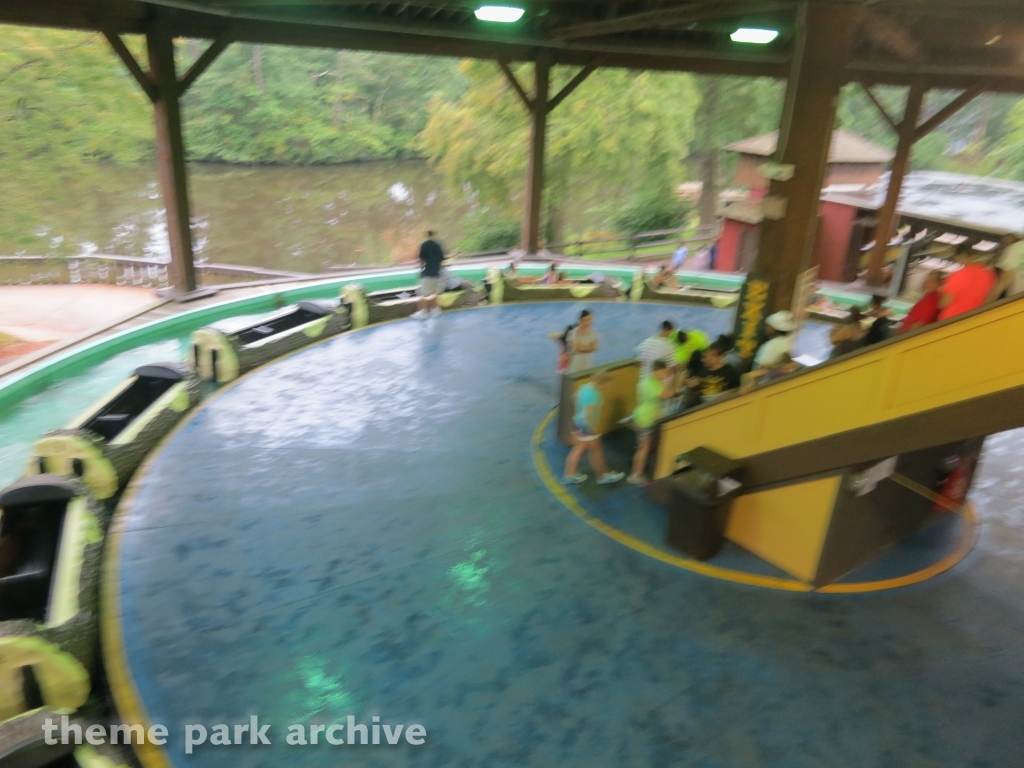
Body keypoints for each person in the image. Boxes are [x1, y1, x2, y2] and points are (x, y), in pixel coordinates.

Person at [562, 372, 625, 485]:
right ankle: (603, 476)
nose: (608, 386)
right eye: (608, 383)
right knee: (596, 451)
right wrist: (590, 431)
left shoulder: (584, 387)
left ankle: (569, 475)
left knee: (578, 449)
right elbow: (586, 415)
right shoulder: (595, 395)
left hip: (575, 422)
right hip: (585, 426)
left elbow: (573, 399)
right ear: (602, 382)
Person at [628, 360, 677, 485]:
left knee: (644, 447)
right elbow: (667, 395)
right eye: (664, 372)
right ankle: (636, 475)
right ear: (659, 370)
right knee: (643, 448)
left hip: (643, 416)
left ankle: (636, 473)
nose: (665, 374)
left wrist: (665, 379)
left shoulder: (651, 381)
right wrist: (670, 379)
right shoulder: (651, 384)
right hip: (646, 419)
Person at [938, 246, 996, 321]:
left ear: (960, 257)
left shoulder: (957, 275)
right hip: (974, 319)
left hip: (951, 319)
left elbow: (945, 302)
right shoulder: (988, 275)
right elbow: (989, 298)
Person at [685, 338, 740, 404]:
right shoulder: (701, 372)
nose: (703, 360)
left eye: (706, 356)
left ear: (717, 357)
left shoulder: (729, 370)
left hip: (724, 403)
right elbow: (698, 394)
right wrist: (694, 387)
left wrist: (729, 392)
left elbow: (737, 388)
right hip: (705, 404)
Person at [411, 231, 445, 320]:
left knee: (422, 293)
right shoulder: (437, 245)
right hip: (436, 273)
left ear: (426, 236)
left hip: (428, 273)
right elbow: (441, 261)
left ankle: (423, 312)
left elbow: (422, 260)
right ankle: (436, 309)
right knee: (433, 292)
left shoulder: (425, 244)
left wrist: (421, 270)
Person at [989, 233, 1024, 301]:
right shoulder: (1018, 247)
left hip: (1015, 300)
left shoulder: (1018, 247)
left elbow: (1005, 279)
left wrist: (989, 301)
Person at [565, 309, 599, 373]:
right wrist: (589, 347)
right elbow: (577, 348)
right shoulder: (573, 332)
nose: (589, 322)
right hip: (575, 363)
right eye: (587, 320)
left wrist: (582, 348)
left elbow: (595, 347)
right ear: (581, 320)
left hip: (588, 361)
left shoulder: (593, 332)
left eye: (591, 319)